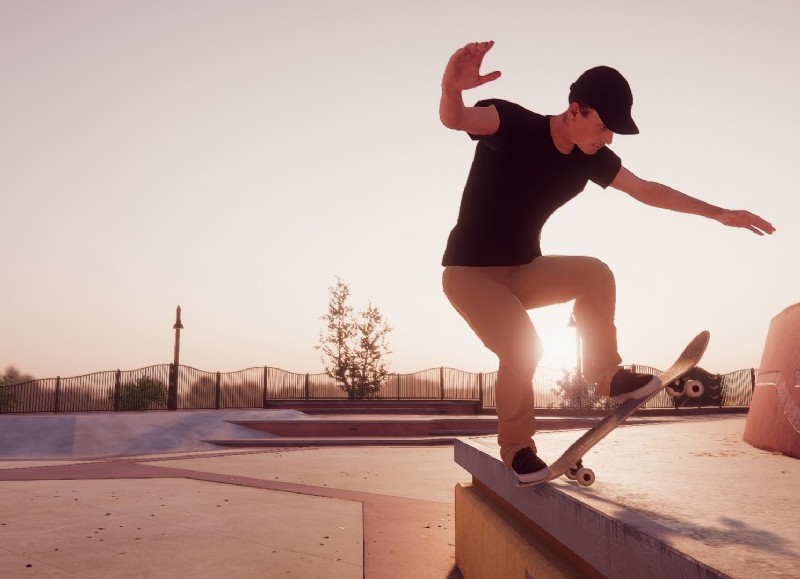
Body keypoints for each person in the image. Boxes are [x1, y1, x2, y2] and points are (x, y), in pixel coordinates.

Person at [439, 41, 775, 484]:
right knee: (522, 348)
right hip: (469, 275)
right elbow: (457, 119)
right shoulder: (510, 121)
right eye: (602, 126)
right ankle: (518, 449)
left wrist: (718, 213)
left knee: (594, 273)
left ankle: (606, 375)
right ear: (575, 110)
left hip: (522, 271)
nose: (607, 138)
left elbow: (647, 189)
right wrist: (451, 89)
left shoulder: (591, 159)